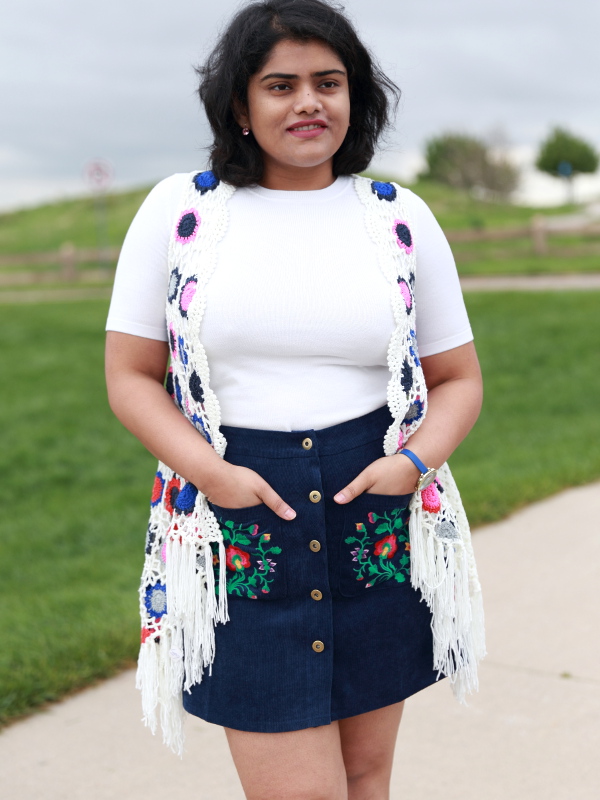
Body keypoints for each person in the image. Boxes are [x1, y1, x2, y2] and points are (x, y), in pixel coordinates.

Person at [105, 1, 485, 797]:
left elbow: (458, 380)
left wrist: (413, 463)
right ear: (240, 105)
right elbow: (131, 376)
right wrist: (211, 474)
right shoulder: (182, 214)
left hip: (377, 510)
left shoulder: (399, 219)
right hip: (236, 514)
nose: (308, 102)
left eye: (328, 82)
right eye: (280, 85)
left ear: (356, 98)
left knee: (365, 773)